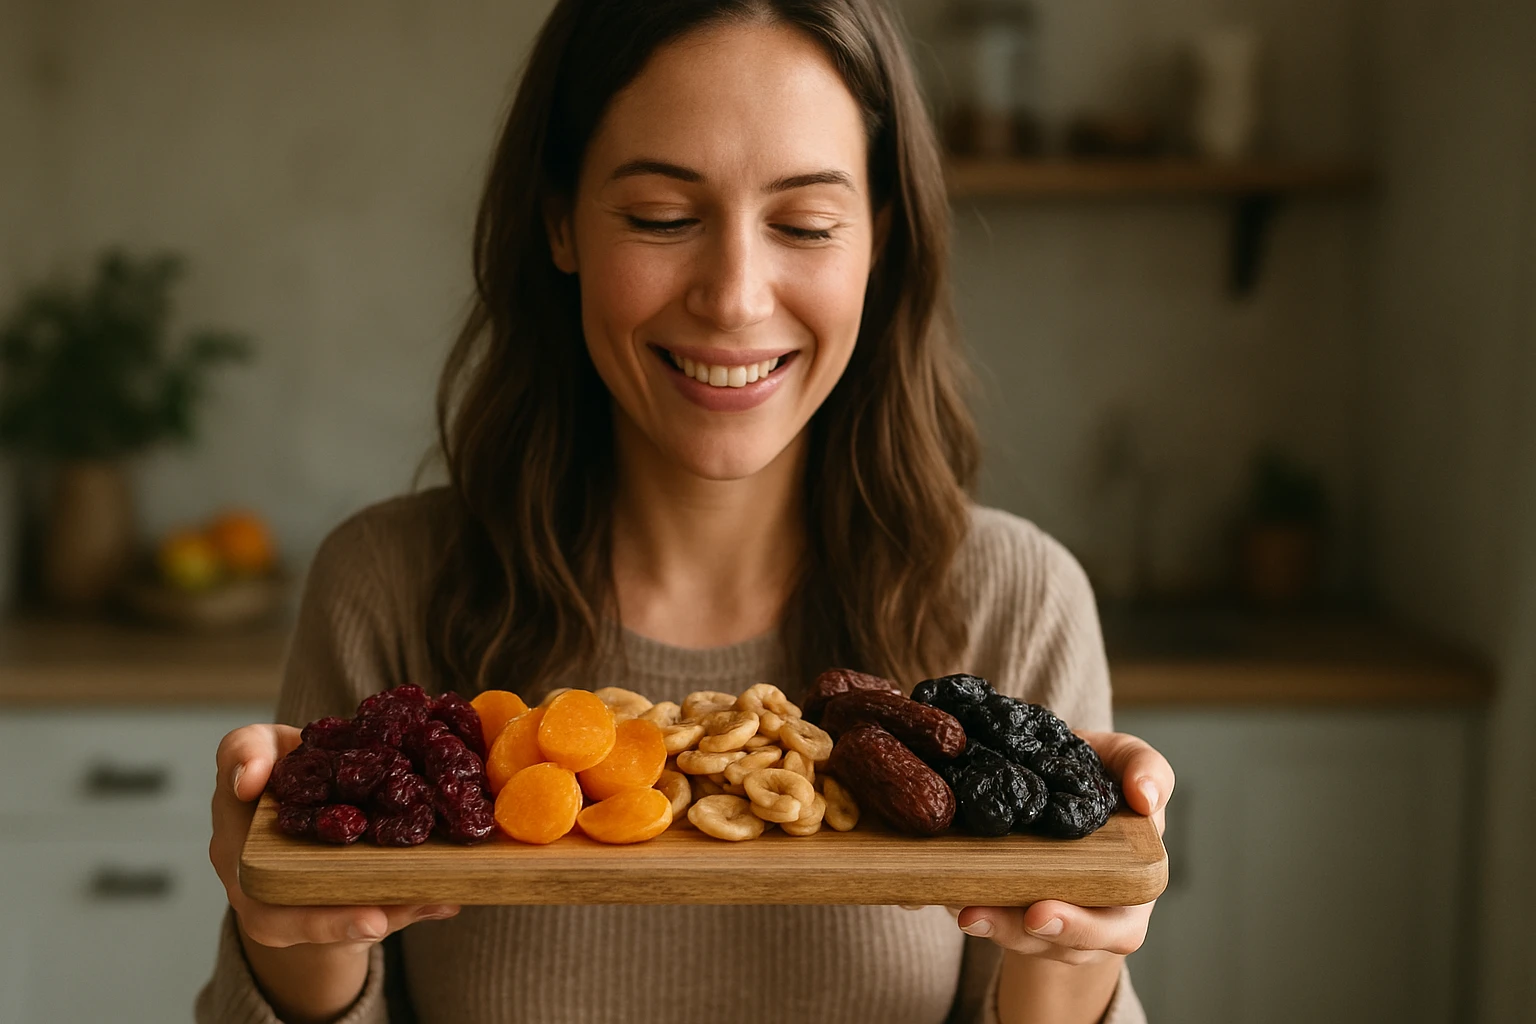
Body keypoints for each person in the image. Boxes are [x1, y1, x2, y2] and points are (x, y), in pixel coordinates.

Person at [200, 1, 1174, 1021]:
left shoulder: (1015, 601)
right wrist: (292, 925)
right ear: (559, 222)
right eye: (663, 217)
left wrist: (1074, 932)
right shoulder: (388, 587)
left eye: (805, 224)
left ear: (878, 238)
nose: (735, 297)